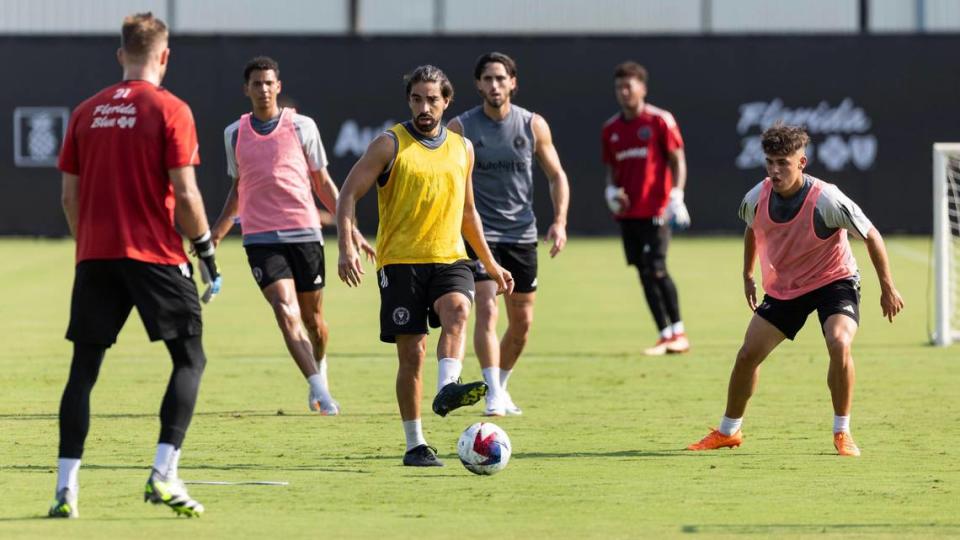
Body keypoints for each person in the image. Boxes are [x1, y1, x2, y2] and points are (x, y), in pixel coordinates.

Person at [51, 12, 217, 518]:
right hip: (154, 255)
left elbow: (67, 198)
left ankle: (65, 490)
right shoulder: (171, 109)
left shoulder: (85, 111)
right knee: (190, 359)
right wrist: (206, 250)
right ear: (163, 56)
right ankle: (163, 473)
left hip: (95, 256)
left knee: (84, 370)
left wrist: (90, 247)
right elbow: (186, 194)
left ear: (122, 54)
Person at [687, 123, 904, 457]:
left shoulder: (827, 199)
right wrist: (747, 273)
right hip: (787, 287)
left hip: (835, 280)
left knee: (839, 342)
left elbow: (871, 234)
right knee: (747, 355)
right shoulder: (755, 198)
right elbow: (751, 230)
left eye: (783, 163)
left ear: (801, 163)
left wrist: (887, 287)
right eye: (770, 162)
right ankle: (729, 431)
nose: (775, 170)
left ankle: (842, 431)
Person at [336, 65, 513, 467]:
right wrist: (346, 246)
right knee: (412, 355)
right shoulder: (389, 144)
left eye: (432, 99)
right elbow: (348, 193)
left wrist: (490, 263)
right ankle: (416, 443)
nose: (424, 107)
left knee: (459, 309)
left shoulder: (462, 148)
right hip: (401, 263)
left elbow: (469, 213)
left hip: (450, 257)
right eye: (417, 99)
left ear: (446, 102)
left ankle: (448, 386)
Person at [211, 56, 374, 416]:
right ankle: (320, 392)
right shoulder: (234, 133)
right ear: (246, 89)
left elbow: (323, 183)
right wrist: (218, 234)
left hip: (305, 233)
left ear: (278, 87)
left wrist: (352, 230)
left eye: (269, 83)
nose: (263, 89)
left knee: (313, 320)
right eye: (257, 83)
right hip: (261, 238)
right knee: (285, 311)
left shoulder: (302, 127)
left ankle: (321, 369)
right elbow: (238, 189)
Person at [447, 52, 570, 416]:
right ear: (478, 84)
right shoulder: (461, 127)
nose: (495, 85)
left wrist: (560, 220)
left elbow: (557, 175)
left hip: (522, 234)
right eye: (488, 79)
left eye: (501, 78)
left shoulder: (532, 125)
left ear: (513, 83)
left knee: (522, 325)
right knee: (486, 310)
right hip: (480, 235)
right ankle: (491, 393)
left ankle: (499, 385)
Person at [601, 61, 691, 356]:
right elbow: (612, 169)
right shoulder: (611, 129)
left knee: (656, 268)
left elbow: (677, 160)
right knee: (642, 272)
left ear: (642, 88)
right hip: (629, 215)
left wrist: (676, 195)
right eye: (619, 87)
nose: (624, 92)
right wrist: (611, 191)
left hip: (657, 210)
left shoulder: (660, 121)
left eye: (629, 86)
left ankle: (679, 332)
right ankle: (665, 335)